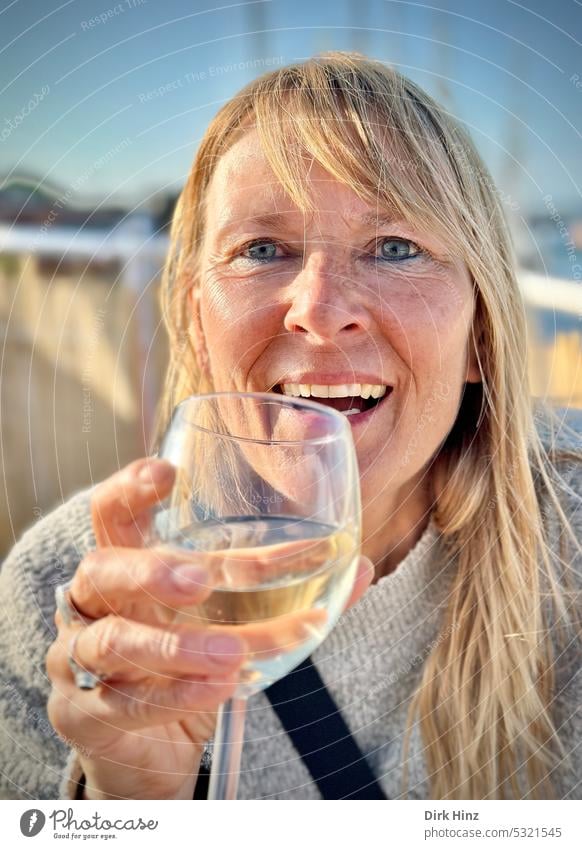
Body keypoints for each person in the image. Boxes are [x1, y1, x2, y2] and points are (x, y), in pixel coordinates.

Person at [0, 51, 580, 801]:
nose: (317, 305)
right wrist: (128, 802)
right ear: (198, 325)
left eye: (395, 247)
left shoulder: (568, 548)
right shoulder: (65, 596)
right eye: (261, 250)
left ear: (480, 333)